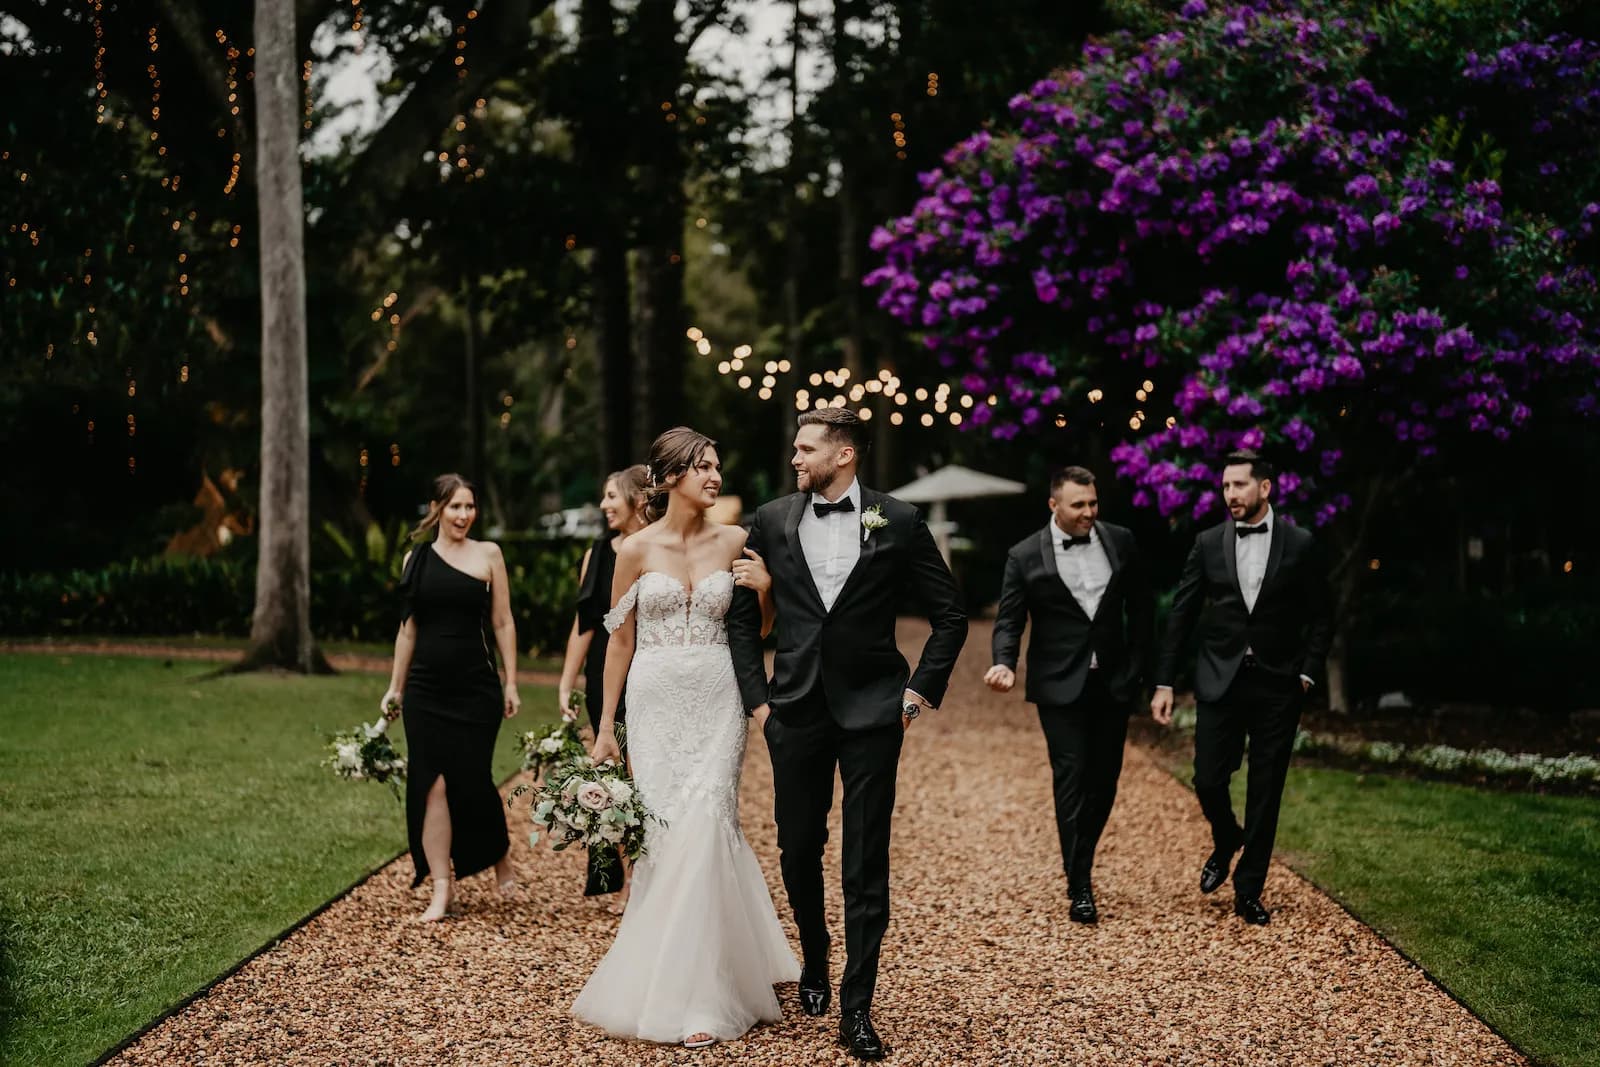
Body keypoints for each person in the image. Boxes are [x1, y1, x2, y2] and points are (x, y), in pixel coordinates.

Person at [727, 407, 968, 1063]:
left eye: (806, 449)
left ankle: (857, 1008)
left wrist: (915, 694)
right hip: (794, 711)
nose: (795, 458)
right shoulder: (772, 520)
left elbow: (950, 615)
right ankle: (814, 953)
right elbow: (742, 619)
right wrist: (759, 704)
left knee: (866, 861)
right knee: (799, 848)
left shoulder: (900, 520)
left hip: (873, 713)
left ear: (844, 456)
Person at [574, 427, 798, 1050]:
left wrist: (768, 592)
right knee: (667, 833)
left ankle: (703, 994)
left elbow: (758, 629)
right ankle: (670, 974)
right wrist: (604, 730)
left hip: (719, 697)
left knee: (708, 818)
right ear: (669, 477)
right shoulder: (634, 551)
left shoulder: (737, 540)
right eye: (701, 467)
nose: (714, 476)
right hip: (655, 701)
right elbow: (619, 641)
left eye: (717, 466)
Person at [1150, 450, 1333, 925]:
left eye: (1239, 486)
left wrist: (1308, 672)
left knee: (1266, 788)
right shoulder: (1208, 542)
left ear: (1265, 488)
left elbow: (1322, 615)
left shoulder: (1301, 544)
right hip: (1220, 679)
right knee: (1208, 778)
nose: (1230, 495)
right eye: (1226, 486)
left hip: (1278, 683)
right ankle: (1227, 836)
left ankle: (1249, 889)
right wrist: (1165, 680)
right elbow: (1182, 614)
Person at [984, 465, 1153, 924]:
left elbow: (1140, 609)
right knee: (1071, 774)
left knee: (1105, 781)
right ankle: (1080, 883)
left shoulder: (1120, 540)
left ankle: (1081, 858)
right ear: (1054, 505)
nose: (1088, 513)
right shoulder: (1024, 556)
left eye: (1093, 503)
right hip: (1058, 684)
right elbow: (1010, 620)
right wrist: (1003, 661)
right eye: (1078, 505)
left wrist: (1141, 670)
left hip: (1113, 682)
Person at [380, 473, 522, 923]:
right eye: (456, 506)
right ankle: (443, 887)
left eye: (470, 507)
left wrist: (512, 681)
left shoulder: (488, 555)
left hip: (476, 688)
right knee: (432, 786)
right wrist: (395, 687)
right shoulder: (416, 559)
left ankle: (497, 851)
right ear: (437, 508)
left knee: (473, 779)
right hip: (425, 690)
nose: (464, 515)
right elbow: (408, 630)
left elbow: (502, 622)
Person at [556, 464, 650, 903]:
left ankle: (652, 867)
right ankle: (628, 876)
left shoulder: (656, 546)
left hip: (651, 666)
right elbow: (585, 624)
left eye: (612, 495)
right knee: (613, 773)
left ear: (637, 499)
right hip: (605, 671)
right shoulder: (598, 552)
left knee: (646, 770)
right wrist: (566, 680)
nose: (604, 504)